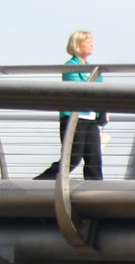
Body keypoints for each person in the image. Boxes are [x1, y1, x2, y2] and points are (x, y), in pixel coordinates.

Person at [34, 29, 104, 181]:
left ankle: (95, 192)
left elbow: (101, 93)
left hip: (91, 119)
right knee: (72, 158)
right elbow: (79, 92)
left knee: (94, 159)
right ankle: (40, 183)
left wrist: (103, 111)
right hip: (74, 119)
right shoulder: (70, 66)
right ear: (77, 44)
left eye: (92, 41)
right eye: (88, 41)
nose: (92, 44)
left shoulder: (94, 69)